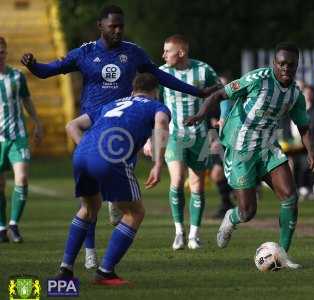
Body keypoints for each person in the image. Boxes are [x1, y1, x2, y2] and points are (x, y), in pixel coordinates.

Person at [20, 5, 210, 268]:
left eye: (121, 25)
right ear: (101, 26)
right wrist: (33, 65)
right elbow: (48, 70)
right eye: (113, 26)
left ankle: (83, 255)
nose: (118, 30)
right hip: (93, 124)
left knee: (99, 202)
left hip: (124, 134)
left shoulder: (132, 53)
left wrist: (197, 92)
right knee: (92, 202)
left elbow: (161, 77)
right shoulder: (85, 53)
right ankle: (90, 252)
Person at [185, 42, 314, 268]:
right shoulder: (259, 79)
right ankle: (231, 218)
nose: (286, 68)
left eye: (291, 64)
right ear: (274, 64)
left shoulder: (295, 94)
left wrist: (311, 151)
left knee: (290, 198)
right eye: (281, 63)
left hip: (268, 148)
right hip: (240, 150)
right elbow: (219, 95)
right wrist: (200, 115)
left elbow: (303, 126)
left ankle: (282, 255)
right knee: (248, 212)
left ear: (297, 66)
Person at [57, 73, 170, 285]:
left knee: (89, 208)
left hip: (82, 153)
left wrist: (88, 150)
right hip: (111, 156)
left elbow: (72, 125)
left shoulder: (111, 104)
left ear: (132, 90)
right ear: (156, 92)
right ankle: (105, 272)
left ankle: (65, 269)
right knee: (135, 212)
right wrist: (157, 163)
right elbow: (162, 123)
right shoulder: (156, 106)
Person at [148, 34, 220, 250]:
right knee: (177, 180)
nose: (163, 55)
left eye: (167, 51)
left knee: (197, 185)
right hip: (175, 135)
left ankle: (194, 235)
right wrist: (149, 138)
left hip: (200, 136)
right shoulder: (162, 73)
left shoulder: (204, 70)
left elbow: (220, 94)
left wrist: (220, 122)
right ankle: (179, 232)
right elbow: (152, 104)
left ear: (180, 53)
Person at [0, 36, 43, 243]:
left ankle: (13, 225)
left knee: (22, 177)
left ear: (6, 52)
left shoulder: (16, 76)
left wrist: (37, 122)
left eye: (2, 51)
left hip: (18, 136)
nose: (0, 55)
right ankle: (1, 227)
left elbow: (27, 100)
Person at [208, 75, 235, 219]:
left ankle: (228, 203)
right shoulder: (212, 103)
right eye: (219, 85)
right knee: (218, 175)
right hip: (217, 143)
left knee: (219, 174)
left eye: (223, 85)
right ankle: (227, 203)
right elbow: (210, 124)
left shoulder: (231, 102)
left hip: (230, 142)